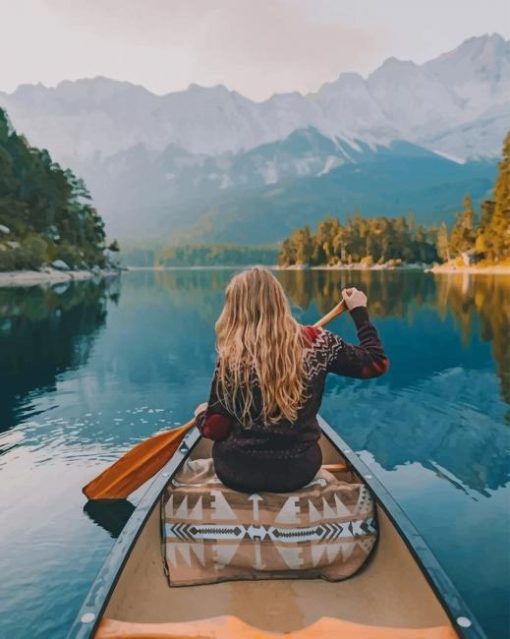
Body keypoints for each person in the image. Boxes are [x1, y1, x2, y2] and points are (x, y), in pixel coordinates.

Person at [194, 266, 388, 494]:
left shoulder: (232, 357)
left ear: (234, 309)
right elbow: (376, 363)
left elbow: (215, 430)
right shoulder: (319, 343)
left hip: (237, 473)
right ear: (278, 300)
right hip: (297, 473)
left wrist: (201, 415)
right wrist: (359, 311)